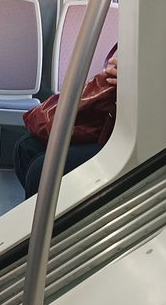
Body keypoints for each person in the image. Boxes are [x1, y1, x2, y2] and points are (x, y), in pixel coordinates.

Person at [13, 55, 118, 199]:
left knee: (42, 170)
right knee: (26, 147)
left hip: (134, 138)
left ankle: (50, 218)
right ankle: (57, 216)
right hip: (110, 125)